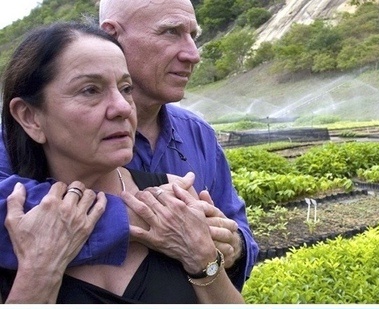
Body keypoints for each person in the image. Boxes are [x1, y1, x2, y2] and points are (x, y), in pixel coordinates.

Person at [0, 0, 258, 291]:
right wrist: (144, 215)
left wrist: (231, 246)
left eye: (193, 36)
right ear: (112, 35)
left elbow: (238, 231)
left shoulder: (199, 135)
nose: (192, 54)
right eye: (171, 32)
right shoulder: (18, 135)